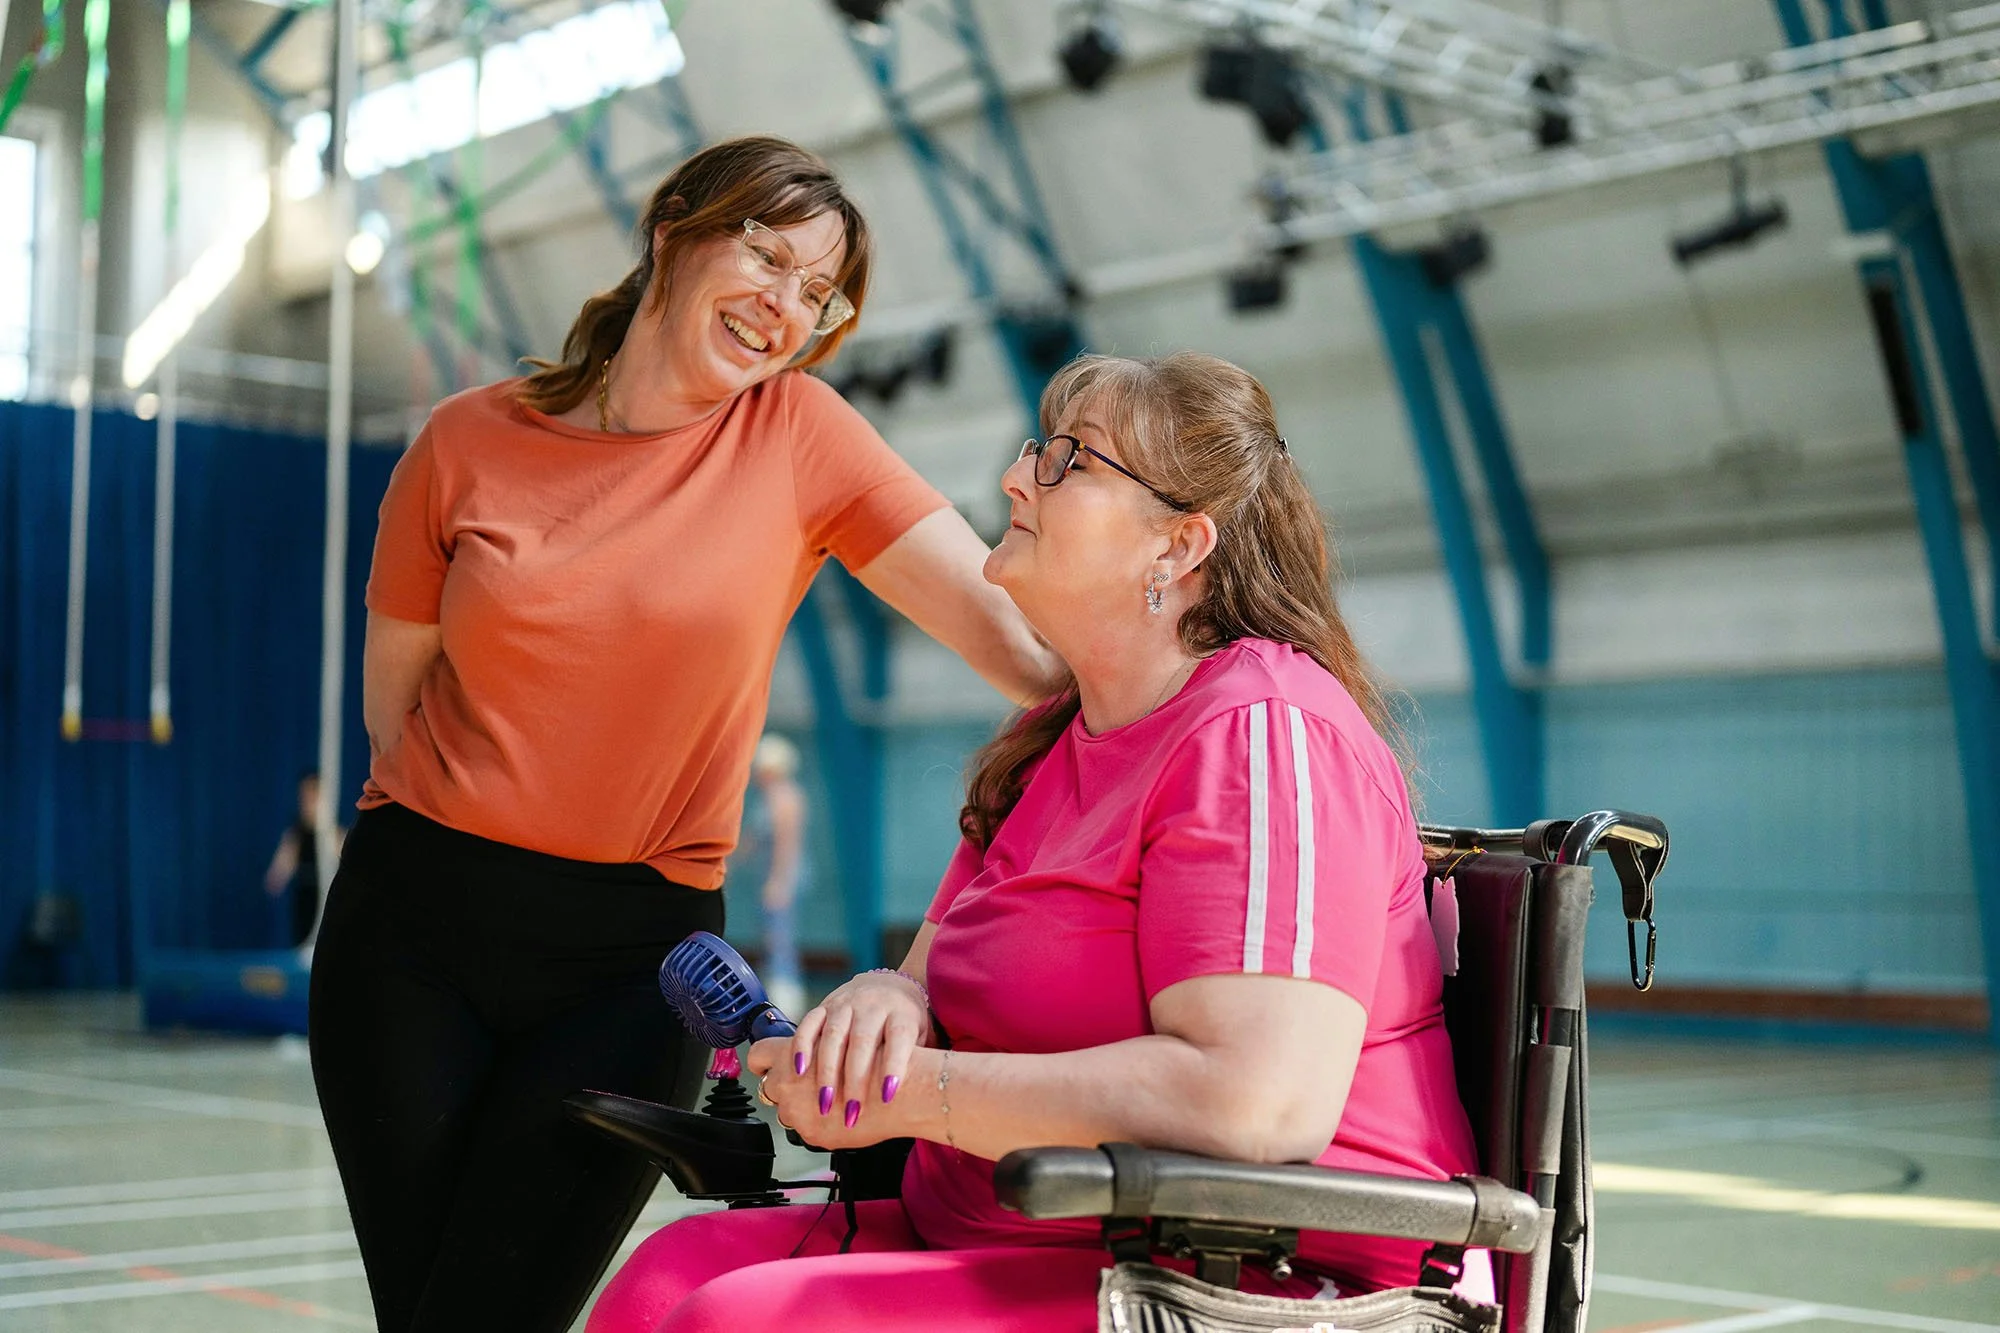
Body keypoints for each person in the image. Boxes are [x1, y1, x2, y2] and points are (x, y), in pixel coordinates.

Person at [308, 136, 1056, 1333]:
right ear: (673, 230)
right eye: (764, 256)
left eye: (817, 293)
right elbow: (394, 703)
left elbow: (1013, 638)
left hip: (630, 959)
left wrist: (1189, 668)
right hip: (410, 937)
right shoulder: (461, 442)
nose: (784, 308)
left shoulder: (799, 434)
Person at [587, 351, 1485, 1333]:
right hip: (1028, 1235)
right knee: (661, 1282)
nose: (1016, 478)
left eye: (1071, 461)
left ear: (1176, 546)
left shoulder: (1262, 732)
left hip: (1253, 1278)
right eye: (1033, 451)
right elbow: (922, 986)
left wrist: (909, 1094)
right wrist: (880, 1007)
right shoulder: (1049, 736)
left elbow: (1254, 1103)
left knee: (739, 1324)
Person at [743, 733, 809, 1019]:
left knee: (780, 936)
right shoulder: (767, 797)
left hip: (783, 876)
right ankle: (774, 990)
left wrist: (779, 883)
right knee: (771, 935)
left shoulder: (785, 797)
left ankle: (786, 996)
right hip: (769, 874)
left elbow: (787, 844)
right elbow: (754, 839)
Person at [263, 771, 343, 948]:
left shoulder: (334, 835)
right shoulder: (295, 837)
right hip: (305, 910)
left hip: (330, 909)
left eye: (314, 797)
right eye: (305, 798)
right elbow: (275, 879)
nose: (309, 803)